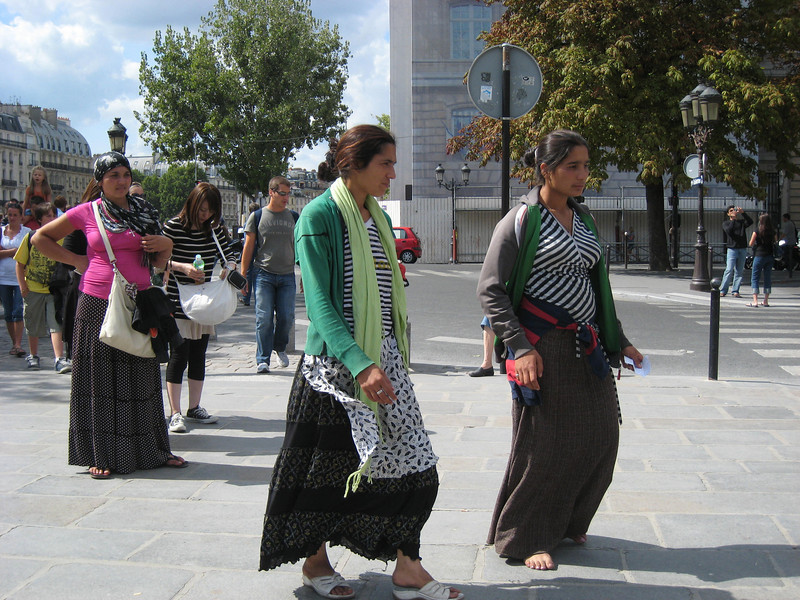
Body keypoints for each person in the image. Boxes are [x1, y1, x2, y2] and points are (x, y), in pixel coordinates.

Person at [260, 125, 463, 600]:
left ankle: (408, 566)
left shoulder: (373, 216)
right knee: (324, 471)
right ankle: (315, 563)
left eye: (393, 162)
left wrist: (382, 359)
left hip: (383, 360)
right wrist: (359, 363)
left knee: (415, 462)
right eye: (385, 163)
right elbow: (322, 306)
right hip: (334, 369)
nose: (393, 173)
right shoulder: (318, 216)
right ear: (354, 162)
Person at [477, 129, 642, 571]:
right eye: (573, 166)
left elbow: (595, 286)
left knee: (602, 437)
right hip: (541, 346)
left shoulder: (584, 218)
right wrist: (520, 348)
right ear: (546, 169)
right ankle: (523, 536)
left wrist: (618, 338)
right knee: (545, 444)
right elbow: (491, 290)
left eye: (586, 166)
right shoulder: (521, 219)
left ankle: (567, 519)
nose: (583, 175)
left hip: (586, 345)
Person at [32, 151, 186, 480]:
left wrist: (167, 245)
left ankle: (152, 450)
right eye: (113, 174)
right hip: (98, 301)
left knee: (142, 377)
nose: (121, 180)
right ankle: (99, 453)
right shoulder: (89, 212)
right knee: (98, 381)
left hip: (139, 302)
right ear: (99, 180)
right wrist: (76, 261)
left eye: (125, 174)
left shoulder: (145, 211)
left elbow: (158, 264)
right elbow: (39, 238)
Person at [162, 182, 235, 433]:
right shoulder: (173, 226)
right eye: (202, 209)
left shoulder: (214, 229)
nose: (206, 215)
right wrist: (183, 268)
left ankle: (194, 407)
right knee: (179, 354)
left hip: (204, 301)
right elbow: (160, 260)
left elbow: (229, 255)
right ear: (192, 204)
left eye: (211, 211)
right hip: (178, 299)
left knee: (199, 355)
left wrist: (230, 267)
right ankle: (174, 412)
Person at [240, 176, 297, 374]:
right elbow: (248, 247)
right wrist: (243, 275)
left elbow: (301, 248)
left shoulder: (294, 217)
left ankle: (279, 347)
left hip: (287, 275)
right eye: (282, 193)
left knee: (287, 317)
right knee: (263, 318)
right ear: (271, 192)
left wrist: (306, 274)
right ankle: (262, 359)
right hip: (263, 274)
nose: (286, 197)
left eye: (288, 193)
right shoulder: (257, 216)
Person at [14, 202, 71, 373]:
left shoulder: (62, 238)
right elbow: (20, 263)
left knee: (56, 325)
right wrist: (22, 285)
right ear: (39, 219)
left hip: (55, 289)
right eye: (48, 216)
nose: (53, 219)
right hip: (33, 288)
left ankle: (59, 358)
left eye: (54, 215)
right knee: (33, 324)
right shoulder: (31, 237)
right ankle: (33, 355)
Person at [1, 201, 30, 356]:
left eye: (15, 215)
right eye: (9, 215)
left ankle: (18, 344)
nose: (12, 218)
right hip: (3, 278)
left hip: (20, 277)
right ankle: (14, 343)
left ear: (21, 217)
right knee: (8, 313)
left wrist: (6, 251)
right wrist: (14, 251)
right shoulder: (1, 231)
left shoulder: (27, 232)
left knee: (18, 311)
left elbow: (29, 254)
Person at [719, 205, 753, 297]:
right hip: (732, 249)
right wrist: (733, 220)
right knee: (729, 269)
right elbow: (729, 231)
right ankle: (723, 290)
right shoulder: (726, 223)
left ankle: (735, 290)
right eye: (730, 211)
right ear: (728, 213)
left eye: (734, 210)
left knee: (739, 271)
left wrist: (743, 213)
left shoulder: (741, 223)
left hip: (742, 248)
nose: (733, 212)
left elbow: (750, 222)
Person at [748, 213, 776, 307]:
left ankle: (755, 301)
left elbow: (751, 243)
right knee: (767, 278)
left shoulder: (757, 230)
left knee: (755, 277)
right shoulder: (773, 231)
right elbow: (775, 242)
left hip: (759, 255)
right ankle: (766, 300)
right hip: (769, 256)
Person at [240, 201, 260, 306]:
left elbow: (246, 240)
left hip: (249, 248)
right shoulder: (261, 219)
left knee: (248, 273)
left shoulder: (248, 222)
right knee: (258, 274)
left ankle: (246, 297)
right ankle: (259, 299)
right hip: (259, 249)